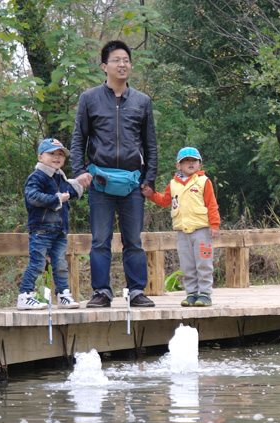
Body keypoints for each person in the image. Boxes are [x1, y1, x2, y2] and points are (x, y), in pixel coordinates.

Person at [70, 39, 158, 308]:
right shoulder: (89, 98)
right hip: (99, 182)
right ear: (104, 66)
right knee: (100, 241)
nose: (123, 64)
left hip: (132, 182)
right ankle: (101, 292)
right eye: (117, 60)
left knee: (133, 240)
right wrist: (79, 172)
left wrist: (149, 180)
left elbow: (150, 144)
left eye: (126, 60)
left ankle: (136, 291)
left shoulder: (142, 101)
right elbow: (78, 139)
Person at [141, 147, 220, 306]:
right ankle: (191, 294)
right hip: (183, 232)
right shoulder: (173, 184)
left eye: (194, 161)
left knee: (203, 263)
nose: (190, 163)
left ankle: (205, 294)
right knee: (187, 264)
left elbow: (212, 204)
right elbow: (165, 201)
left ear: (199, 164)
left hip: (202, 231)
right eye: (186, 161)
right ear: (179, 165)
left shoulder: (204, 181)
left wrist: (215, 225)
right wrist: (151, 194)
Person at [17, 138, 83, 310]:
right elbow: (32, 196)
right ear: (40, 157)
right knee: (37, 263)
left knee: (61, 264)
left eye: (60, 154)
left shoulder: (59, 177)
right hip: (41, 229)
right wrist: (57, 199)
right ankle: (25, 295)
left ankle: (63, 295)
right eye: (52, 154)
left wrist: (79, 186)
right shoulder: (38, 176)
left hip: (59, 230)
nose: (57, 157)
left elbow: (68, 193)